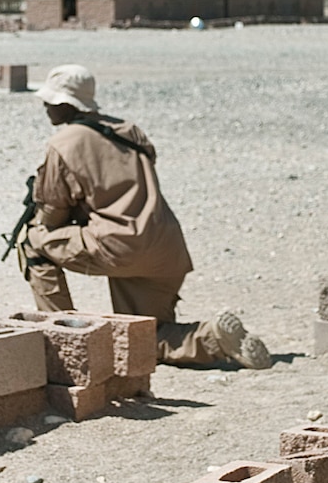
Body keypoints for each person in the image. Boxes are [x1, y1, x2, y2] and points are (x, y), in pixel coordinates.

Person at [20, 64, 271, 369]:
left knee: (32, 243)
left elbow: (50, 219)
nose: (45, 107)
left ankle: (64, 339)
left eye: (49, 101)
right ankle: (213, 337)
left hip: (118, 248)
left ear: (65, 103)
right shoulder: (130, 131)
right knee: (143, 336)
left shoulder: (63, 144)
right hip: (165, 248)